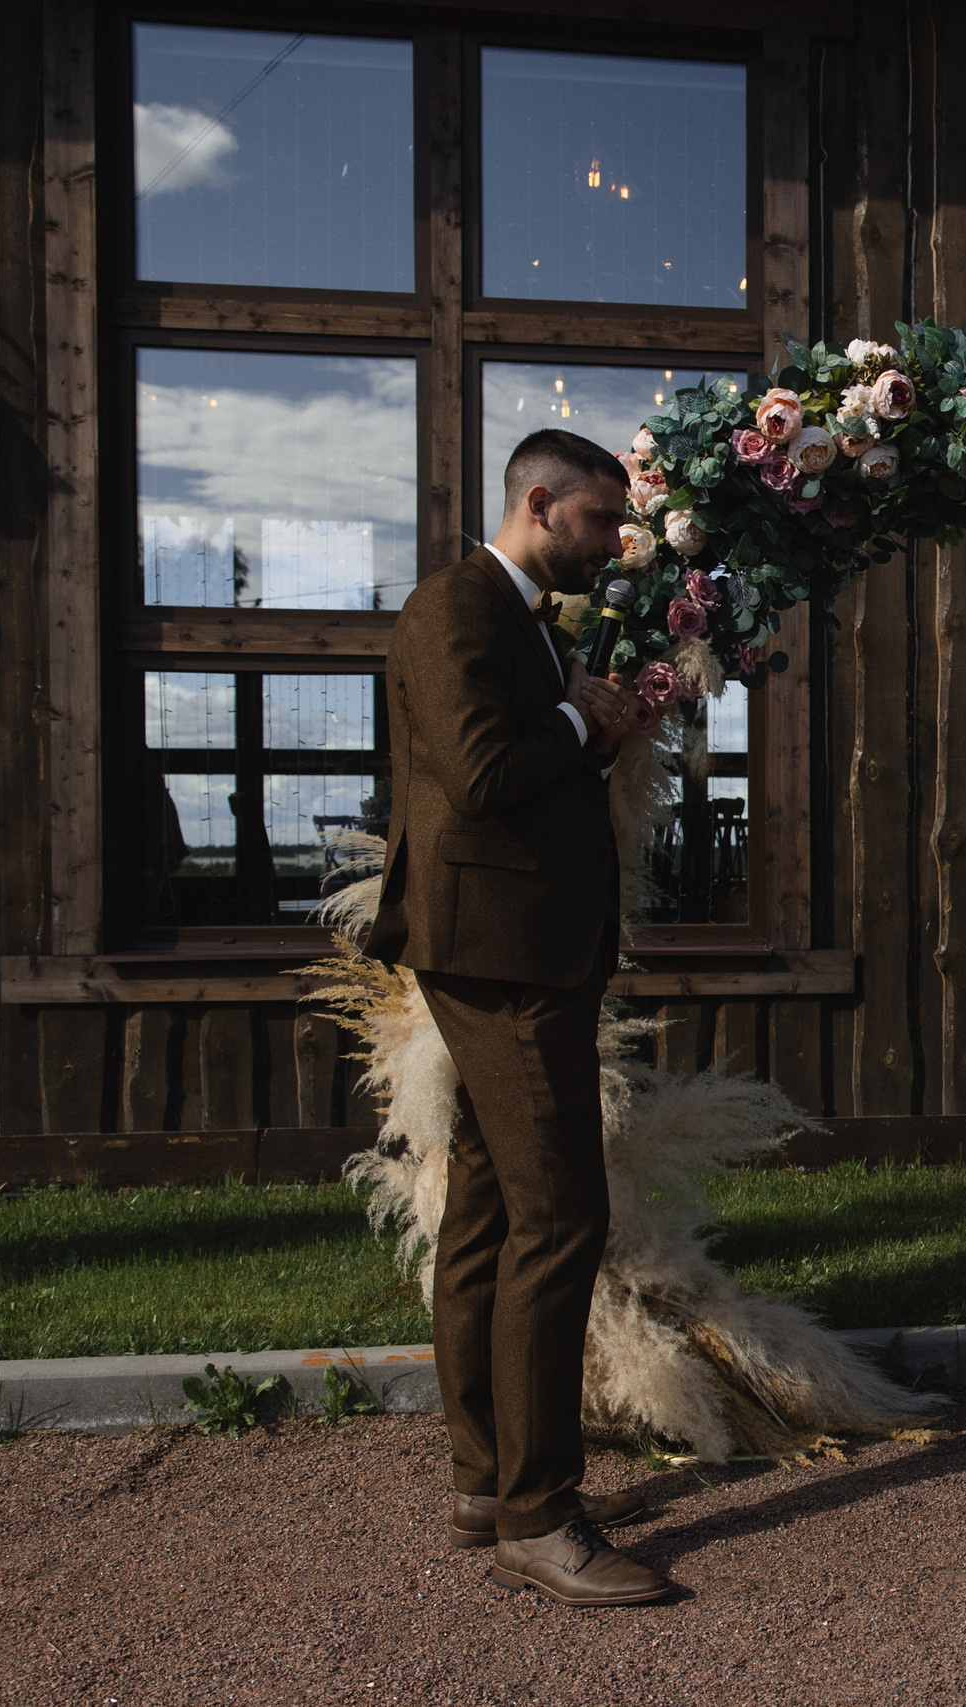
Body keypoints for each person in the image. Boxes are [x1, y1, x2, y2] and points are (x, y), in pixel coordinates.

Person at [366, 429, 668, 1607]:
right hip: (497, 959)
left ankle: (485, 1483)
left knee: (491, 1213)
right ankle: (542, 1518)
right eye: (598, 520)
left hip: (525, 950)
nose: (612, 541)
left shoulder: (532, 618)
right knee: (560, 1216)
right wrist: (587, 723)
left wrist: (586, 720)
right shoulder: (451, 609)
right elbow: (483, 773)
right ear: (539, 503)